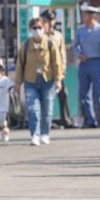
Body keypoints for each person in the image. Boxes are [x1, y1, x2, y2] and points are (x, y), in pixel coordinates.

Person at [16, 18, 62, 146]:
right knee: (33, 109)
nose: (37, 31)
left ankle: (45, 134)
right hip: (30, 80)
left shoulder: (50, 44)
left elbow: (57, 63)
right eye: (34, 28)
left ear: (44, 29)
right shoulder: (25, 46)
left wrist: (58, 79)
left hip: (48, 80)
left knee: (47, 109)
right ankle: (34, 135)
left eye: (39, 28)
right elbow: (20, 65)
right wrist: (17, 83)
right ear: (31, 30)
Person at [74, 6, 100, 128]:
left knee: (98, 92)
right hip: (84, 64)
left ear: (91, 16)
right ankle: (90, 120)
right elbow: (75, 46)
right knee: (84, 93)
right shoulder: (80, 30)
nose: (83, 17)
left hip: (97, 62)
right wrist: (79, 55)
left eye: (85, 15)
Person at [40, 11, 73, 129]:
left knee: (63, 94)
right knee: (46, 97)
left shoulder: (58, 35)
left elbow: (62, 54)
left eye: (49, 20)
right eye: (45, 20)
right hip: (45, 70)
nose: (48, 23)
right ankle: (47, 121)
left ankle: (66, 120)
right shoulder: (40, 35)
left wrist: (62, 70)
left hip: (57, 70)